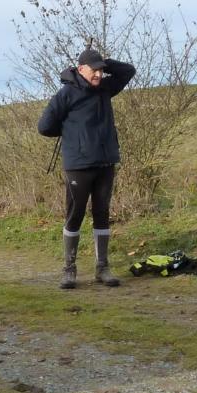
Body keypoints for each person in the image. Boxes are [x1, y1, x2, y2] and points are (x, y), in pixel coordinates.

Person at [37, 48, 136, 289]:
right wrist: (72, 134)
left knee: (102, 214)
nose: (99, 75)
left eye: (101, 70)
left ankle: (103, 268)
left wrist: (104, 62)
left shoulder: (105, 89)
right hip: (78, 165)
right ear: (80, 69)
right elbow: (44, 126)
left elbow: (128, 71)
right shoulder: (66, 94)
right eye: (95, 70)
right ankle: (69, 269)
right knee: (75, 215)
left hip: (105, 162)